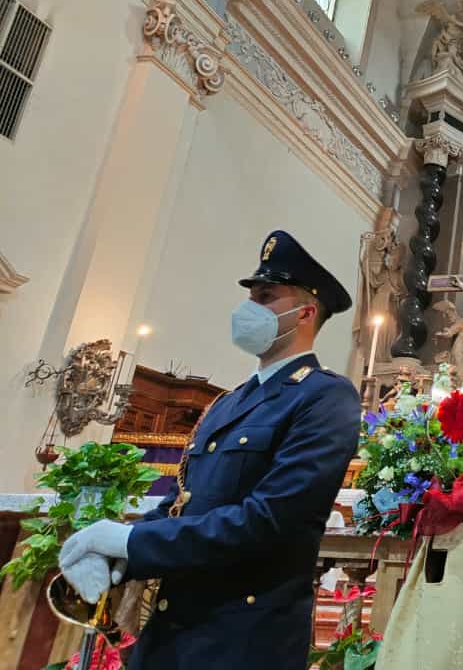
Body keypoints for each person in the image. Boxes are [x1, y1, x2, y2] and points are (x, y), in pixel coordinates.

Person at [57, 231, 361, 670]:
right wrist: (123, 556)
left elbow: (270, 520)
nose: (248, 308)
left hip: (242, 637)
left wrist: (132, 540)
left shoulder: (324, 398)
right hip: (170, 631)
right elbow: (184, 502)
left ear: (306, 312)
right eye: (251, 294)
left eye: (265, 296)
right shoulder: (228, 402)